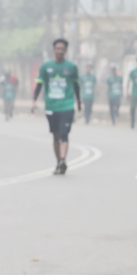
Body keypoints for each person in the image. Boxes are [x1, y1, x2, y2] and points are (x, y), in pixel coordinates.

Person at [31, 38, 81, 175]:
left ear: (65, 51)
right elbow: (39, 84)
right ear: (54, 50)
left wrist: (79, 102)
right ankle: (59, 162)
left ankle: (63, 160)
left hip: (67, 106)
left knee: (64, 135)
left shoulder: (71, 67)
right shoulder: (46, 66)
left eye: (62, 49)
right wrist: (34, 101)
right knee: (55, 136)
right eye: (57, 48)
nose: (60, 51)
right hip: (51, 106)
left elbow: (76, 86)